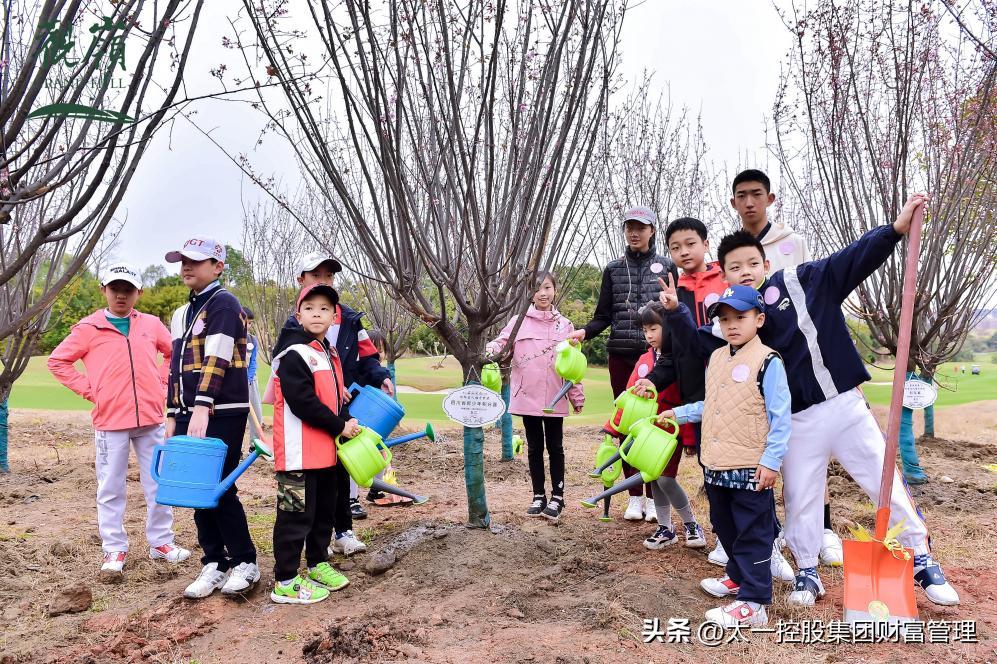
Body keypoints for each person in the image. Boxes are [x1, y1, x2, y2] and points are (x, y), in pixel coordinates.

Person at [646, 195, 960, 608]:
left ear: (764, 264)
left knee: (882, 480)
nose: (744, 273)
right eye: (734, 268)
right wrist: (675, 314)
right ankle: (808, 570)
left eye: (751, 264)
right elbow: (700, 345)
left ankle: (921, 558)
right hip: (798, 421)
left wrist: (894, 230)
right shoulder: (737, 319)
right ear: (726, 275)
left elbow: (853, 259)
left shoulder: (804, 279)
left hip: (844, 406)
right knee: (800, 496)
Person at [730, 170, 844, 568]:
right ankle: (775, 534)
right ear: (733, 203)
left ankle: (823, 529)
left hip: (798, 364)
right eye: (741, 196)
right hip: (758, 365)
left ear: (770, 198)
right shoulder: (734, 251)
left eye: (756, 195)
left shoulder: (791, 243)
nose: (749, 203)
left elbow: (814, 296)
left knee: (812, 452)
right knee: (767, 449)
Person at [47, 262, 191, 579]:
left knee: (158, 482)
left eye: (128, 289)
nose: (121, 295)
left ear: (138, 292)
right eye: (115, 289)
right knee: (111, 486)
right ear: (104, 291)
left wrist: (163, 385)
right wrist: (92, 391)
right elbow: (58, 362)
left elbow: (173, 354)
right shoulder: (88, 328)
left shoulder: (151, 325)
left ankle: (162, 543)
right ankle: (114, 547)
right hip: (110, 421)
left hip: (151, 418)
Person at [658, 284, 790, 627]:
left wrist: (771, 461)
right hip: (716, 463)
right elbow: (712, 405)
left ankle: (755, 601)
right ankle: (736, 576)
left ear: (759, 319)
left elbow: (781, 417)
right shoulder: (716, 357)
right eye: (725, 318)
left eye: (740, 317)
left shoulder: (769, 361)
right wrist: (680, 413)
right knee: (725, 526)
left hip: (750, 466)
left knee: (753, 532)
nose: (732, 324)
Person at [566, 206, 678, 522]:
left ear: (652, 231)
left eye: (641, 227)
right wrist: (584, 332)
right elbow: (603, 316)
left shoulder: (667, 266)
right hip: (622, 356)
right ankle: (633, 497)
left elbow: (673, 313)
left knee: (656, 427)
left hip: (658, 360)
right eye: (630, 226)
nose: (634, 232)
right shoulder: (614, 269)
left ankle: (656, 497)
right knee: (626, 426)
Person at [278, 252, 392, 555]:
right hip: (296, 442)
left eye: (328, 277)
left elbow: (368, 356)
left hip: (333, 422)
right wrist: (337, 417)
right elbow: (298, 396)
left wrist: (378, 377)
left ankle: (327, 547)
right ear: (301, 282)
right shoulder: (292, 340)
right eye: (315, 276)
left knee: (331, 485)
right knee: (294, 506)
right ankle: (286, 575)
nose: (322, 281)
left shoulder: (349, 322)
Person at [164, 237, 259, 599]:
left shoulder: (223, 303)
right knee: (196, 489)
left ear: (218, 266)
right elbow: (175, 366)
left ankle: (245, 561)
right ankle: (215, 561)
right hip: (190, 411)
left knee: (220, 486)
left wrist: (202, 404)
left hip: (221, 410)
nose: (187, 266)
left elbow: (217, 358)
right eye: (183, 260)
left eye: (196, 261)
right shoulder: (181, 313)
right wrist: (175, 411)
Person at [269, 283, 359, 604]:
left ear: (335, 317)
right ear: (298, 315)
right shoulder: (293, 354)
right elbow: (302, 402)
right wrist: (339, 425)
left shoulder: (329, 353)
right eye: (310, 308)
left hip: (326, 454)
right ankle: (286, 580)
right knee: (294, 517)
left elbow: (335, 398)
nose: (317, 313)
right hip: (297, 456)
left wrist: (347, 419)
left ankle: (319, 562)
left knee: (322, 515)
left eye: (324, 308)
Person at [487, 272, 584, 522]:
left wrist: (577, 395)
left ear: (555, 289)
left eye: (548, 287)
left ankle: (558, 497)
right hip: (527, 396)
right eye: (537, 288)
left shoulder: (565, 325)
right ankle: (538, 495)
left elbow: (575, 365)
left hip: (555, 397)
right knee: (533, 447)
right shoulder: (519, 322)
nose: (543, 293)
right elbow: (502, 342)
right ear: (530, 293)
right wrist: (490, 350)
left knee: (555, 447)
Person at [622, 302, 706, 551]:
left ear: (668, 327)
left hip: (672, 425)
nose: (648, 335)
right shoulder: (647, 357)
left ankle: (691, 524)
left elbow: (688, 394)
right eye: (645, 329)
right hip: (651, 427)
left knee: (666, 478)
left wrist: (689, 433)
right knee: (654, 477)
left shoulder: (681, 354)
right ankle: (665, 528)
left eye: (653, 328)